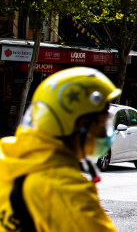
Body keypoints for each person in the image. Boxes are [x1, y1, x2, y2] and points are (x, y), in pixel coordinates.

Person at [0, 67, 121, 231]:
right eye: (103, 121)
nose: (106, 131)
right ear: (80, 124)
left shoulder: (6, 156)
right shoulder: (66, 190)